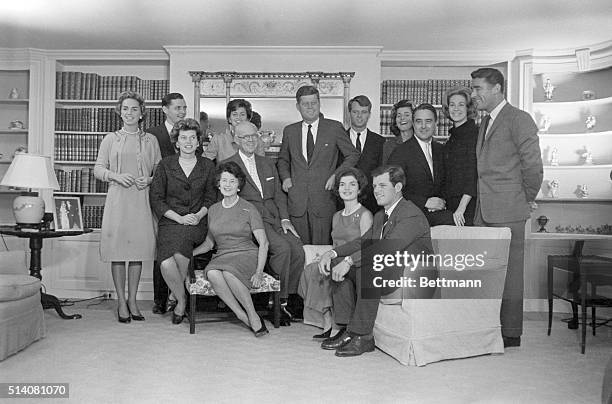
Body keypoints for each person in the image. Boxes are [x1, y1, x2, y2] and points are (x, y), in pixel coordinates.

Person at [317, 165, 433, 357]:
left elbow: (388, 247)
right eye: (374, 186)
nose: (376, 191)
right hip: (389, 267)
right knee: (338, 268)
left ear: (397, 188)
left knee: (366, 270)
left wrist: (349, 262)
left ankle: (363, 337)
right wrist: (333, 254)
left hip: (412, 272)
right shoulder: (381, 216)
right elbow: (362, 243)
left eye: (382, 185)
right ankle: (348, 328)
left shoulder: (410, 213)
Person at [471, 67, 543, 347]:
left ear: (497, 88)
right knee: (485, 274)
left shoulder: (519, 119)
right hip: (484, 211)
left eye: (478, 89)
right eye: (473, 88)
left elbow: (534, 166)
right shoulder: (485, 121)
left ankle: (510, 333)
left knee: (510, 275)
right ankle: (487, 329)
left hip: (509, 210)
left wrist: (524, 199)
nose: (474, 94)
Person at [223, 122, 305, 324]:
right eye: (245, 137)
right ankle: (276, 302)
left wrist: (285, 219)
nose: (251, 140)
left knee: (297, 248)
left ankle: (288, 298)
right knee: (283, 248)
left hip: (274, 217)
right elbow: (228, 199)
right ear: (236, 140)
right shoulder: (229, 165)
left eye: (254, 136)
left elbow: (278, 194)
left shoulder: (267, 163)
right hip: (251, 220)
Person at [94, 91, 161, 323]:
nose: (129, 113)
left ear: (142, 113)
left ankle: (133, 300)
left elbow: (159, 170)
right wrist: (116, 175)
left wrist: (149, 180)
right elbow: (98, 169)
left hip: (141, 199)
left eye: (134, 109)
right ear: (119, 112)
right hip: (118, 199)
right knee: (118, 251)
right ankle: (121, 301)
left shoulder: (150, 140)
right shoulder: (110, 139)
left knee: (137, 252)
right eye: (125, 109)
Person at [149, 118, 217, 324]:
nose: (188, 142)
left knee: (178, 252)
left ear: (198, 142)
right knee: (166, 262)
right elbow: (156, 198)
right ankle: (183, 298)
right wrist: (178, 217)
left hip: (197, 221)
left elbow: (211, 197)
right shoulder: (165, 164)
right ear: (176, 142)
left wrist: (198, 215)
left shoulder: (207, 166)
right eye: (183, 138)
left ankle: (179, 302)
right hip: (171, 220)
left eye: (192, 138)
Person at [192, 161, 270, 337]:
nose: (227, 185)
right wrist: (190, 254)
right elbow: (210, 243)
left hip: (246, 254)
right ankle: (240, 315)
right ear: (218, 184)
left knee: (228, 273)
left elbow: (263, 243)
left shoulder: (249, 208)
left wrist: (259, 272)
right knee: (212, 273)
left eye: (232, 181)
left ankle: (252, 314)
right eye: (224, 180)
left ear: (239, 185)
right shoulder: (213, 210)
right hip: (223, 256)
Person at [277, 85, 360, 245]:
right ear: (298, 106)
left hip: (324, 200)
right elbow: (283, 160)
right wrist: (286, 177)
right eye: (305, 103)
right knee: (300, 252)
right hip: (297, 202)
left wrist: (336, 176)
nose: (310, 107)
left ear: (319, 103)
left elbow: (352, 154)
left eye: (313, 102)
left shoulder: (334, 128)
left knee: (323, 251)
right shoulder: (290, 131)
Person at [298, 167, 373, 339]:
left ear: (359, 189)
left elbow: (365, 246)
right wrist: (325, 256)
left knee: (328, 270)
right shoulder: (336, 216)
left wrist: (339, 258)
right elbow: (335, 244)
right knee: (312, 269)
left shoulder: (365, 215)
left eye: (352, 184)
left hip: (354, 261)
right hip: (335, 257)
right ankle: (328, 319)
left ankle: (336, 327)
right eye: (342, 185)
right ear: (338, 189)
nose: (346, 188)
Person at [147, 92, 187, 314]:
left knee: (179, 248)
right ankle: (160, 300)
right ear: (165, 109)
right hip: (160, 198)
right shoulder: (153, 134)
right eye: (177, 108)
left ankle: (179, 297)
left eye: (184, 108)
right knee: (161, 248)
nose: (181, 112)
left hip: (184, 201)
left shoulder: (189, 131)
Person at [387, 103, 454, 226]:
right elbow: (392, 188)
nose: (423, 126)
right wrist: (425, 202)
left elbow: (447, 183)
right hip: (410, 216)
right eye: (419, 121)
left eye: (428, 121)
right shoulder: (400, 152)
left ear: (435, 124)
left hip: (439, 214)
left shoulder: (441, 150)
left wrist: (441, 201)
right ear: (413, 124)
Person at [441, 86, 478, 226]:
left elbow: (473, 174)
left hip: (466, 206)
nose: (456, 109)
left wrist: (461, 209)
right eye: (452, 105)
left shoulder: (473, 135)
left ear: (468, 108)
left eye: (461, 104)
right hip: (452, 203)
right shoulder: (453, 137)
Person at [344, 95, 385, 214]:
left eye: (364, 112)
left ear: (369, 114)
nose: (359, 116)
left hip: (371, 203)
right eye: (355, 112)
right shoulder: (339, 139)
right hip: (343, 203)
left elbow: (381, 172)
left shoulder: (379, 141)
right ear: (349, 113)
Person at [382, 99, 414, 164]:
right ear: (395, 121)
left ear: (414, 119)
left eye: (407, 115)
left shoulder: (422, 143)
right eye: (399, 115)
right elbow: (385, 171)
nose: (402, 118)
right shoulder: (388, 146)